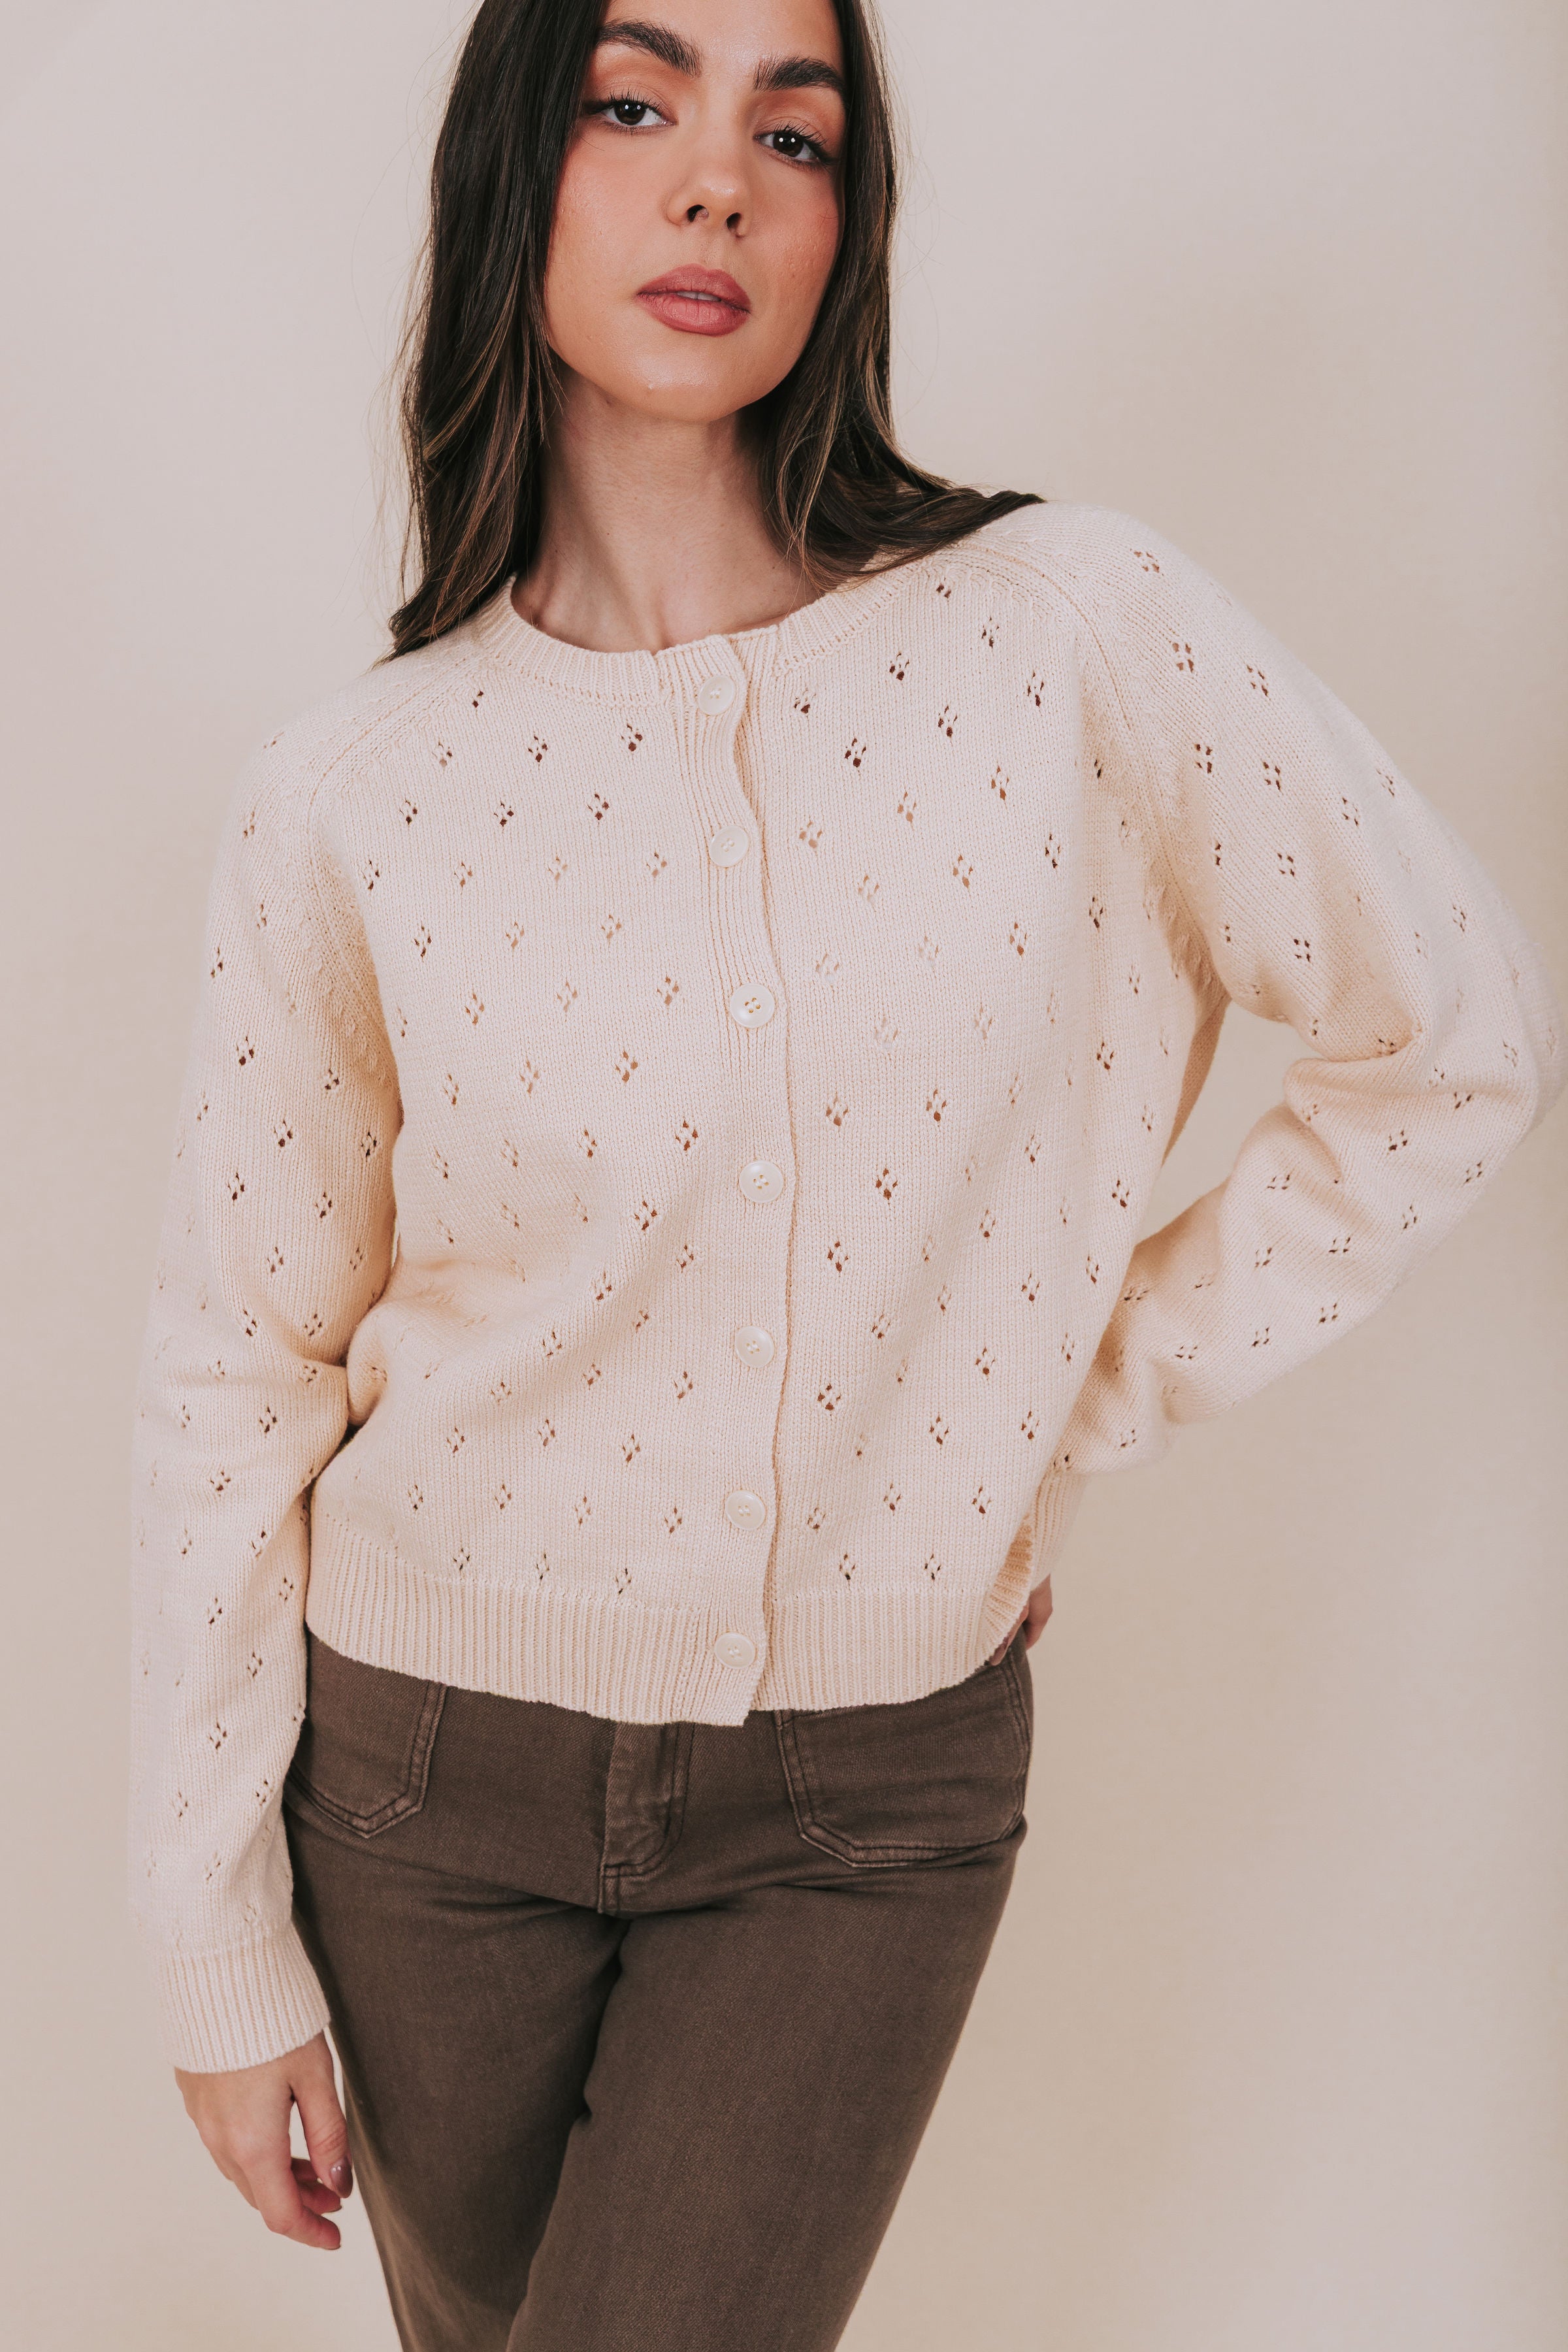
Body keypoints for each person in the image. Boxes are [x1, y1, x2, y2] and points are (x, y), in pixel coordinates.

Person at [127, 0, 1562, 2345]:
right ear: (523, 166)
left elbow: (1454, 1039)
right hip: (418, 1799)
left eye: (791, 134)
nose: (717, 181)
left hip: (861, 1809)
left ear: (842, 226)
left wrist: (1057, 1404)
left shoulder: (1070, 632)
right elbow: (241, 1367)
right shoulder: (355, 787)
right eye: (635, 100)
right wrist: (209, 1931)